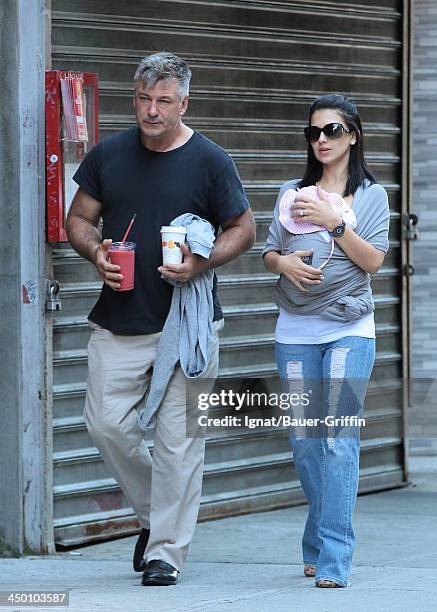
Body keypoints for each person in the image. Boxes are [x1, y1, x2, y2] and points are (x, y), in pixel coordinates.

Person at [66, 51, 255, 586]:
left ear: (183, 102)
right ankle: (157, 518)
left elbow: (244, 228)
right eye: (144, 99)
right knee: (105, 425)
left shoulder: (210, 160)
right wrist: (95, 252)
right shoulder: (109, 155)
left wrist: (203, 261)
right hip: (119, 318)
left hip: (188, 324)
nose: (152, 111)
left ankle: (166, 553)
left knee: (179, 442)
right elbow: (79, 217)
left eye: (164, 101)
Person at [263, 94, 390, 588]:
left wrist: (332, 223)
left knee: (338, 438)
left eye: (332, 131)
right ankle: (317, 536)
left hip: (350, 329)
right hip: (294, 331)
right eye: (314, 132)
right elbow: (270, 251)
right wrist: (285, 264)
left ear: (353, 136)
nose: (321, 140)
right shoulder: (291, 192)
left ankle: (334, 557)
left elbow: (374, 262)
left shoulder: (372, 197)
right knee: (304, 440)